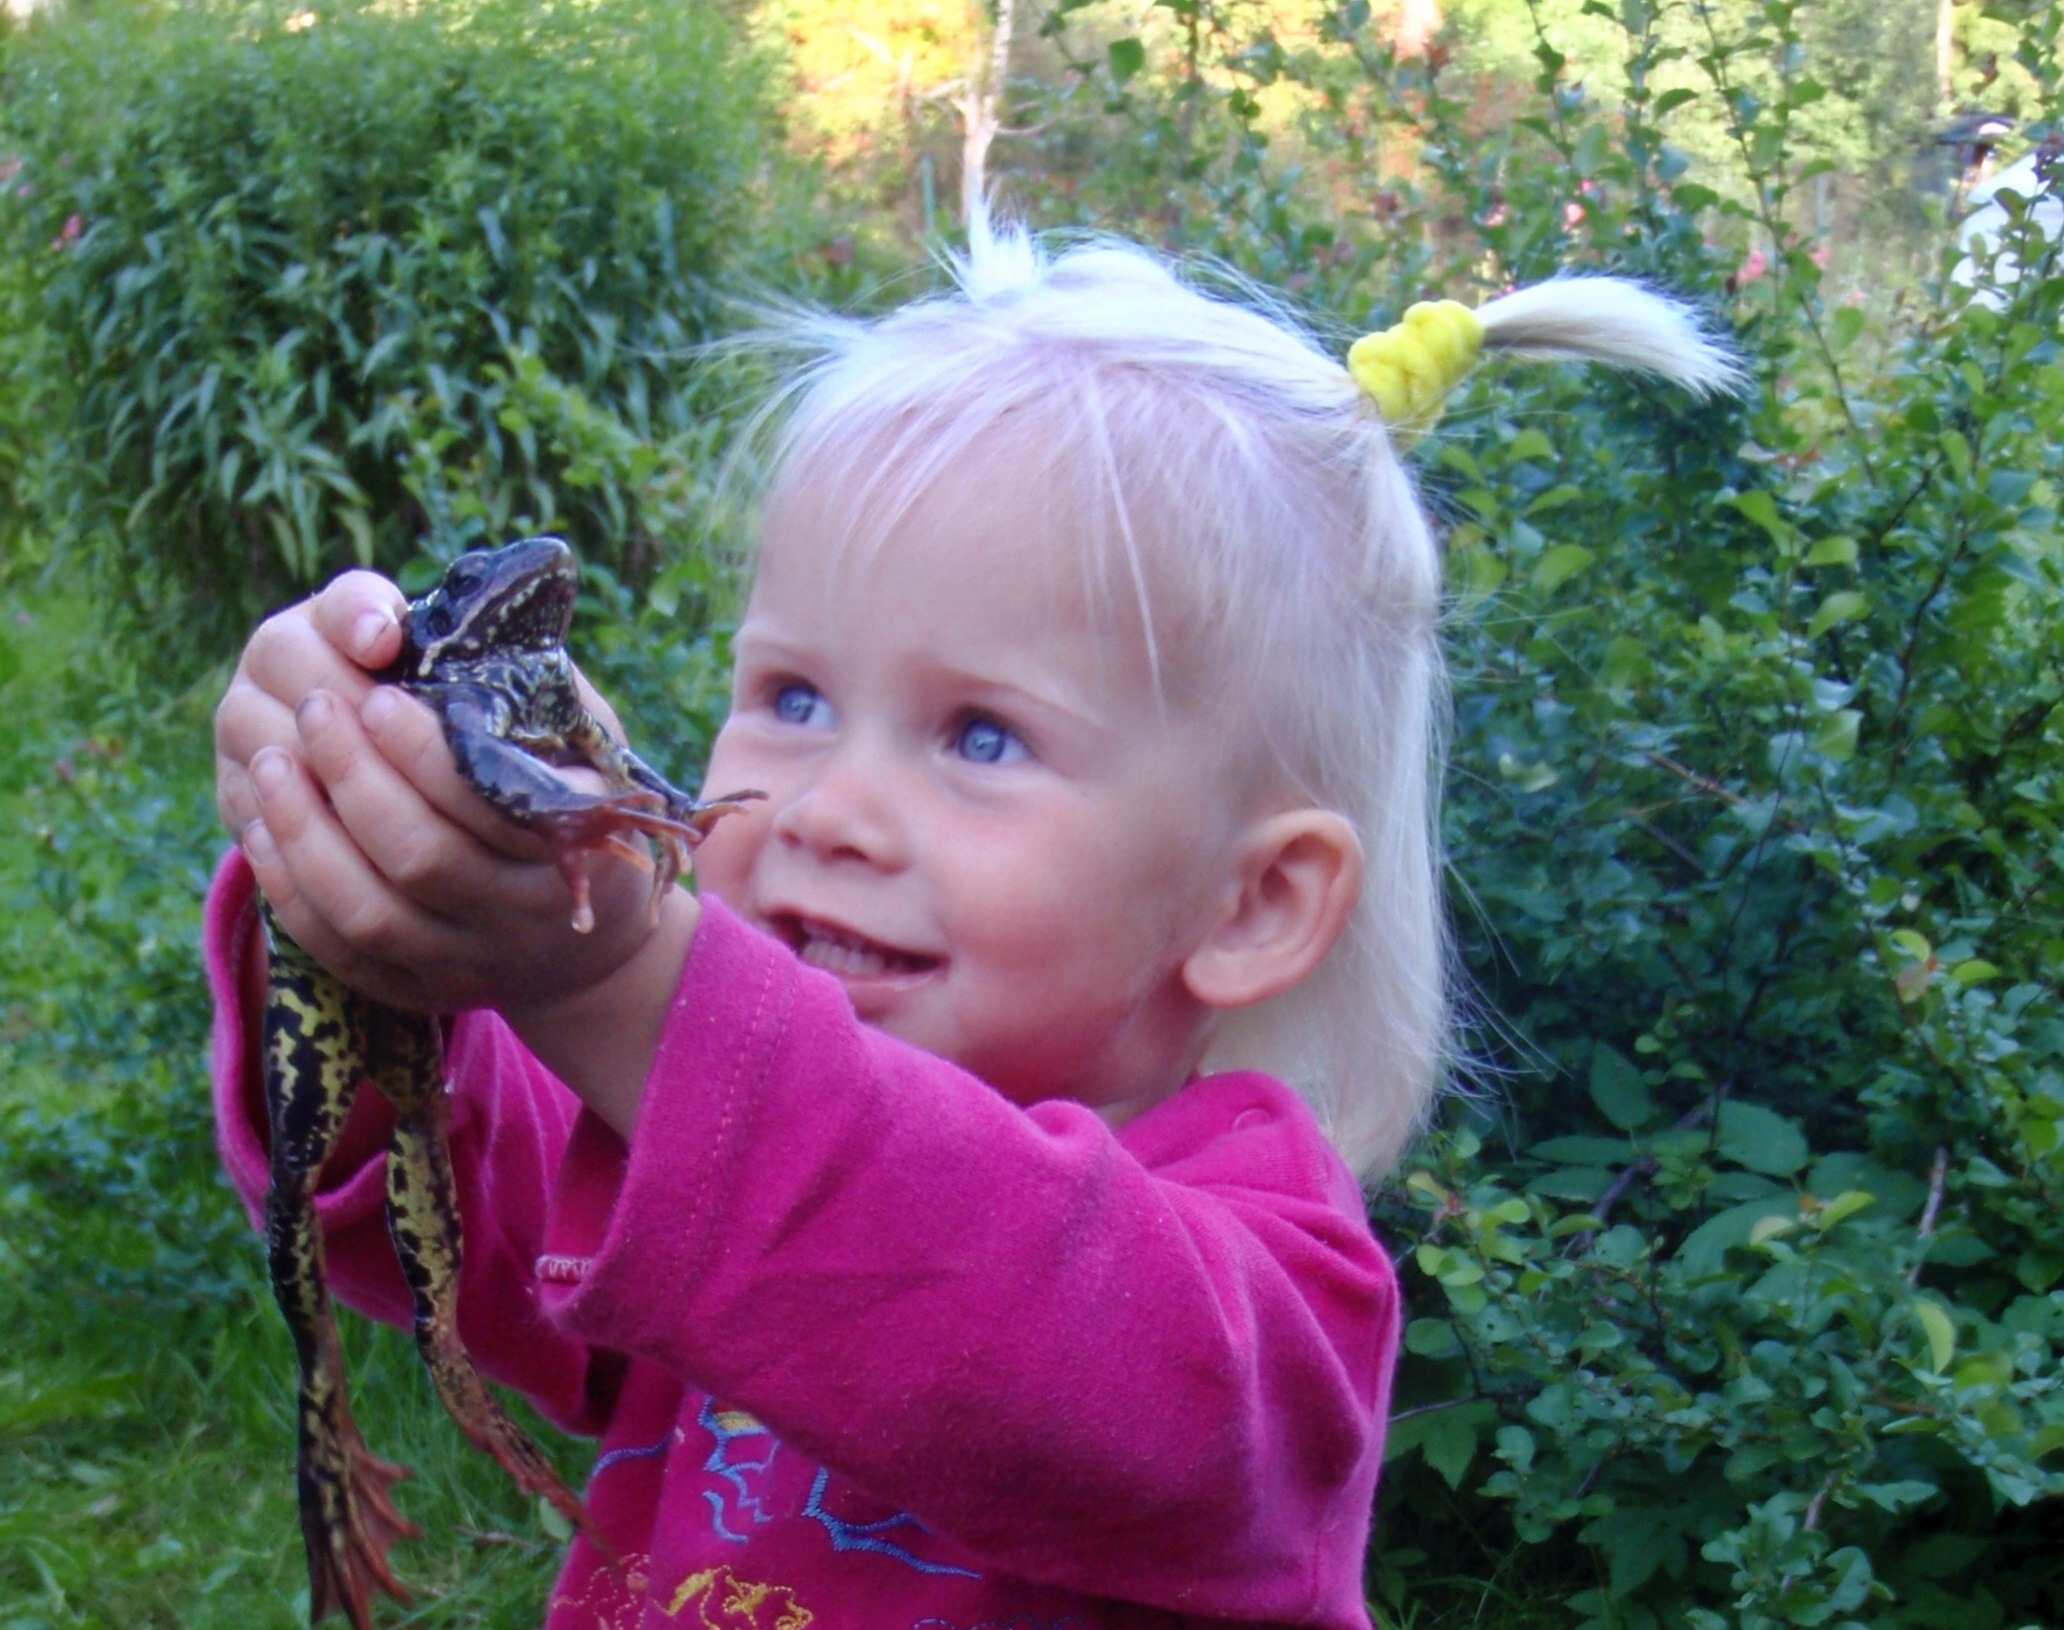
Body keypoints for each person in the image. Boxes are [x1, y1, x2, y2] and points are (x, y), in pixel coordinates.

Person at [208, 217, 1737, 1628]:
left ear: (1251, 901)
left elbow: (1033, 1342)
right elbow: (448, 1206)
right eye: (794, 696)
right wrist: (356, 887)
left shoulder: (1262, 1303)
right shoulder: (685, 1158)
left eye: (981, 736)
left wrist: (614, 983)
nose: (832, 807)